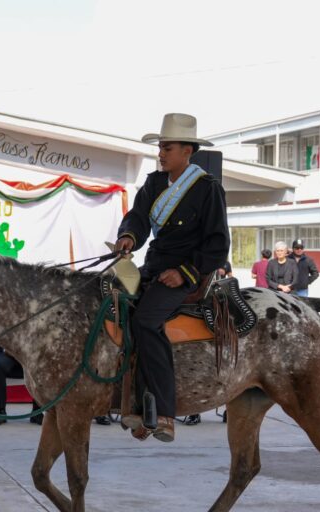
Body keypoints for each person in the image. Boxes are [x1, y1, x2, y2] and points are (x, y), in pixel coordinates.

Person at [114, 113, 230, 443]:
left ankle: (164, 411)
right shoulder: (152, 183)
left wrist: (184, 273)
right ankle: (136, 405)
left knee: (147, 321)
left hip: (186, 274)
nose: (161, 153)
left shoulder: (208, 189)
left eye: (168, 147)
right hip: (152, 267)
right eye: (160, 147)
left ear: (187, 151)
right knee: (111, 299)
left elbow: (218, 244)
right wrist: (128, 239)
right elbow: (137, 218)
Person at [0, 343, 44, 426]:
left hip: (28, 354)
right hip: (3, 353)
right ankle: (0, 412)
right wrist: (8, 349)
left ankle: (37, 412)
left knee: (41, 366)